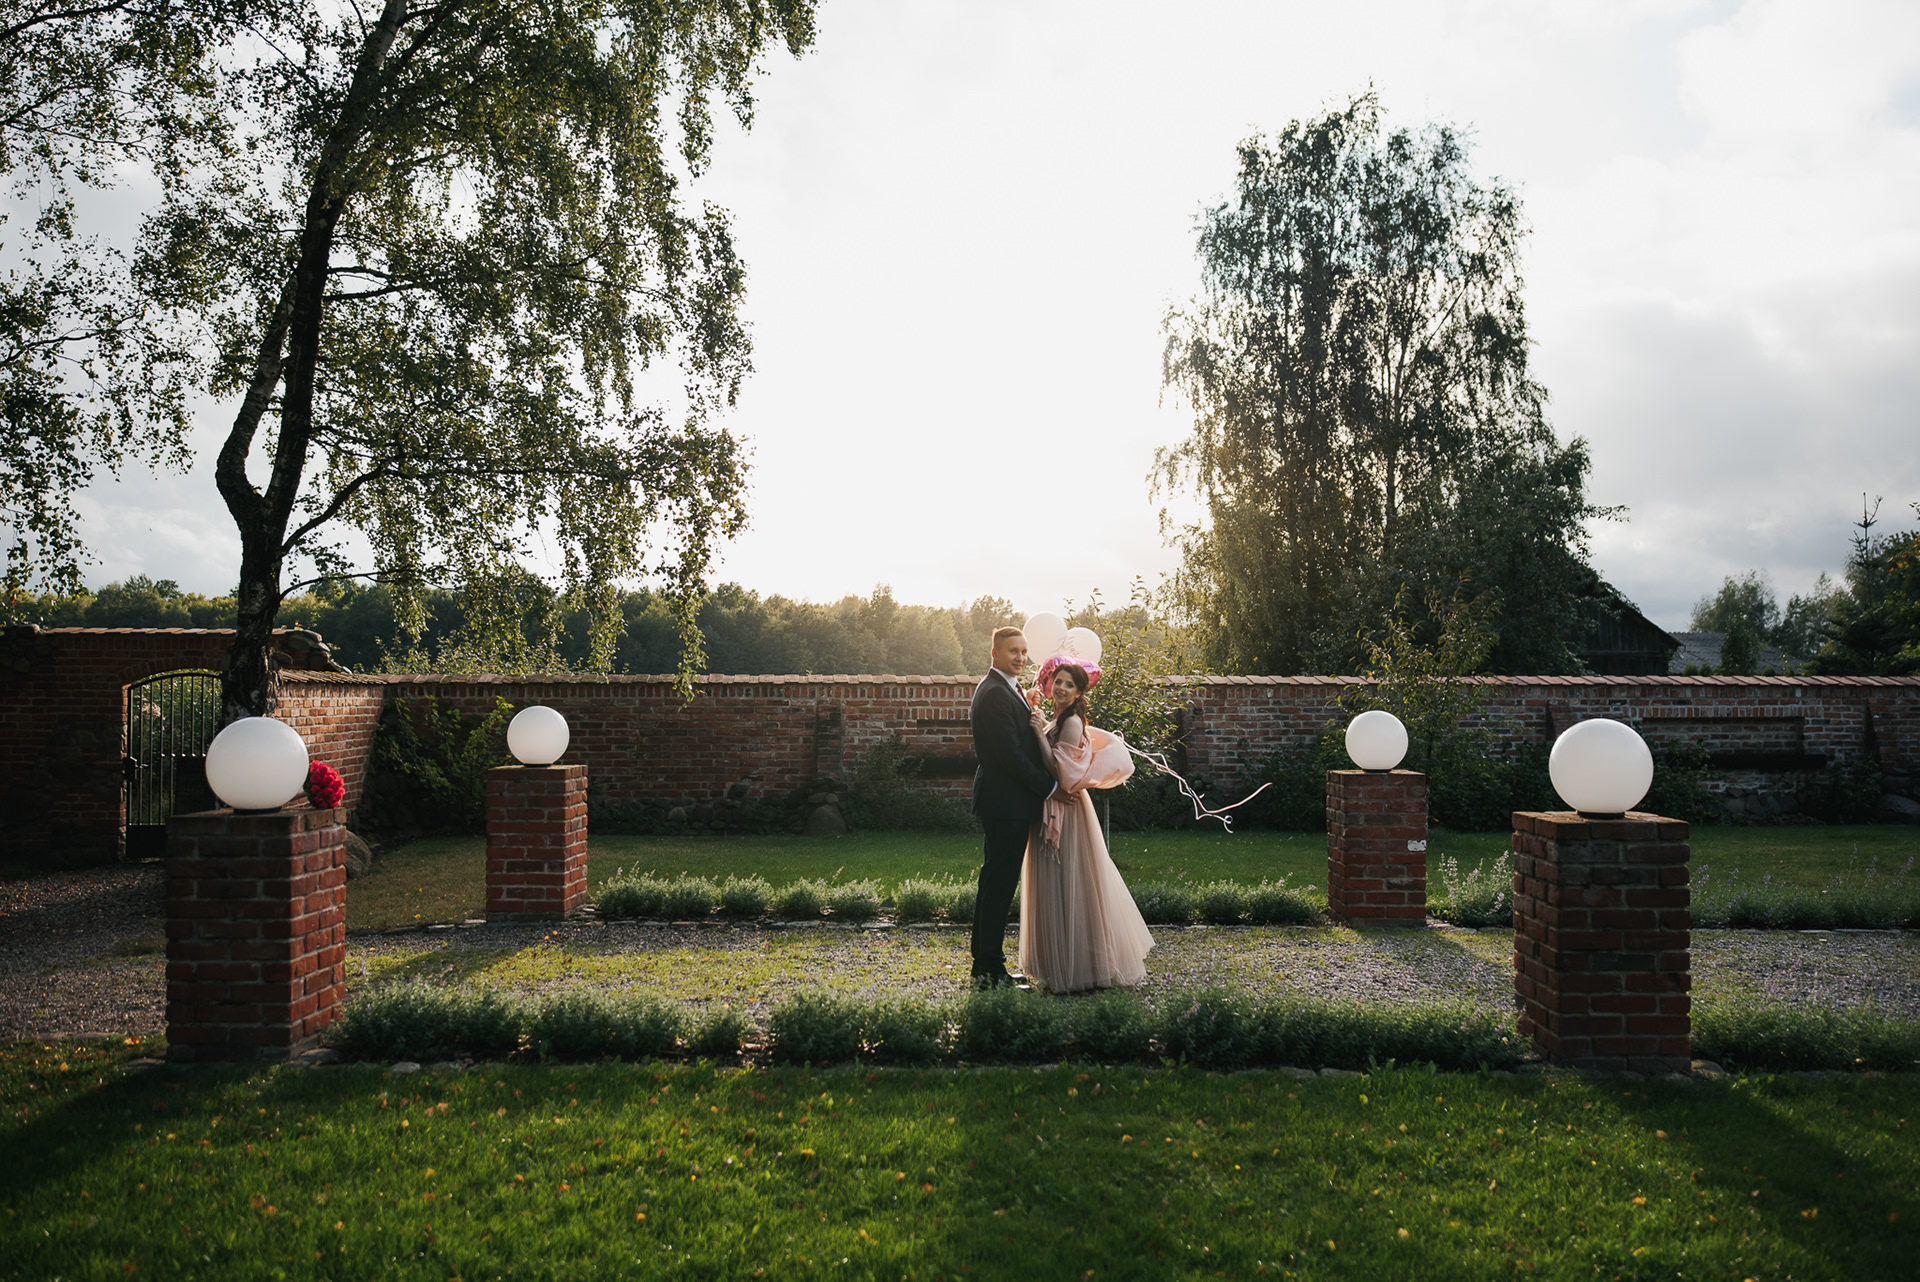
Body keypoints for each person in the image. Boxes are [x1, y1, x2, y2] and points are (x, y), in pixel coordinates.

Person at [1017, 659, 1154, 992]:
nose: (1062, 688)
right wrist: (1038, 720)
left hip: (1068, 810)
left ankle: (1081, 968)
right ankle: (1056, 964)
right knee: (1055, 883)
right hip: (1051, 805)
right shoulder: (1058, 719)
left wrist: (1038, 733)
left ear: (1079, 693)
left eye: (1069, 685)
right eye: (1058, 682)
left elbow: (1060, 773)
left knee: (1071, 882)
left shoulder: (1072, 722)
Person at [968, 626, 1057, 988]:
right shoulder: (994, 693)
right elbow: (1010, 757)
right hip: (1005, 803)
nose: (1020, 657)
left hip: (1007, 802)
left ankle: (985, 964)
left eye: (1023, 651)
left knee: (995, 882)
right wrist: (1051, 787)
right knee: (999, 885)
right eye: (1012, 651)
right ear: (994, 653)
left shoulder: (1007, 688)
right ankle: (989, 970)